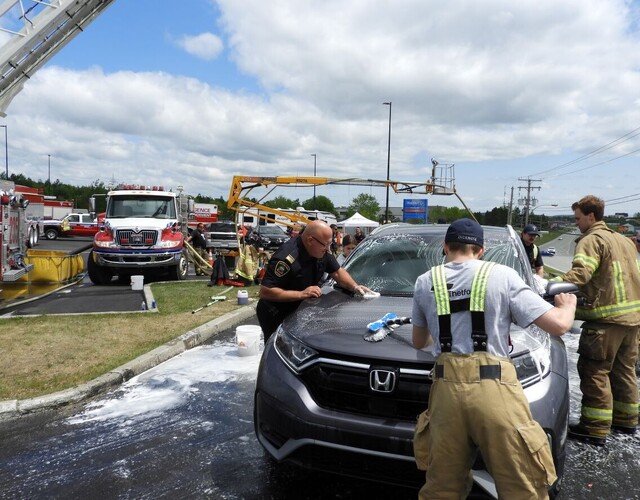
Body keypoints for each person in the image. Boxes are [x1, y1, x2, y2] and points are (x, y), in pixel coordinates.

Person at [411, 218, 576, 498]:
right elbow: (559, 325)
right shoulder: (502, 275)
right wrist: (567, 305)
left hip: (445, 393)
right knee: (520, 484)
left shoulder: (425, 281)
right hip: (495, 389)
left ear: (445, 247)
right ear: (481, 250)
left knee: (442, 487)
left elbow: (420, 341)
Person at [551, 195, 640, 445]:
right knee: (625, 372)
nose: (576, 223)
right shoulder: (624, 240)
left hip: (605, 322)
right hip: (632, 321)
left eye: (578, 218)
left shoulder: (592, 239)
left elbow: (580, 274)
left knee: (595, 372)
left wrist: (548, 286)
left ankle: (595, 428)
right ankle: (626, 420)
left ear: (591, 216)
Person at [257, 220, 372, 341]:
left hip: (298, 308)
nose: (328, 248)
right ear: (310, 240)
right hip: (275, 311)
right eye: (325, 245)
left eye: (329, 244)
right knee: (280, 347)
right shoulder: (286, 258)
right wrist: (301, 294)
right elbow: (265, 291)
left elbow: (337, 272)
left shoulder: (320, 250)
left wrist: (354, 286)